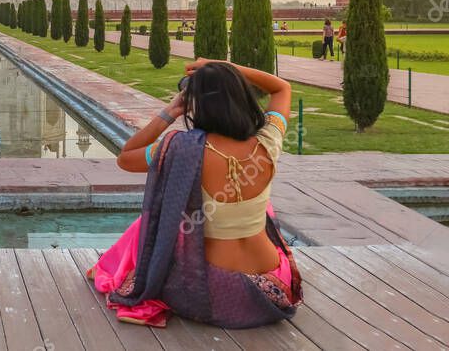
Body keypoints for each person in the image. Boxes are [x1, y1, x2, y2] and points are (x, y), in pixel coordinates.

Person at [88, 58, 300, 328]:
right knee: (264, 209)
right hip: (274, 287)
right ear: (242, 96)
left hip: (214, 292)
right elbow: (281, 88)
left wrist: (171, 111)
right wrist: (222, 66)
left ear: (196, 102)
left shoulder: (179, 148)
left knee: (154, 223)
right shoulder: (268, 140)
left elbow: (126, 157)